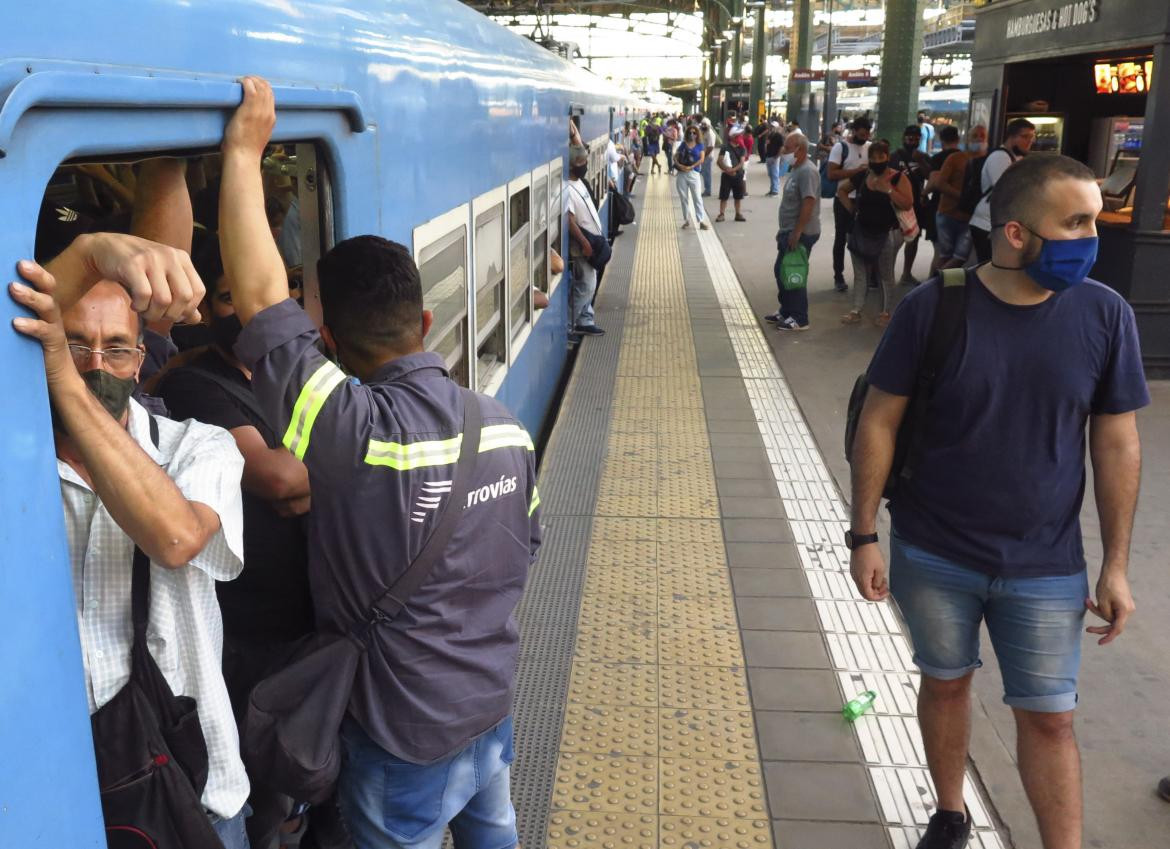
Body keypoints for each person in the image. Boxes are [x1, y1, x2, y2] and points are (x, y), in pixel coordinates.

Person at [217, 77, 541, 849]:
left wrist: (239, 154)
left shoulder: (355, 436)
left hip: (404, 739)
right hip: (490, 707)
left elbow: (264, 306)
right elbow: (525, 551)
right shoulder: (506, 430)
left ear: (331, 345)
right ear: (426, 321)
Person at [848, 153, 1148, 849]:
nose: (1090, 239)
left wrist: (1116, 564)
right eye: (1074, 223)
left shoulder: (1106, 316)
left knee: (1050, 717)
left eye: (1094, 221)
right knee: (946, 681)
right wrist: (863, 533)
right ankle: (950, 812)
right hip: (933, 550)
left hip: (1046, 563)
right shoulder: (936, 307)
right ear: (1015, 233)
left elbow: (1117, 446)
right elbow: (879, 420)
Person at [9, 233, 251, 845]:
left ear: (141, 361)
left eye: (116, 350)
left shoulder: (199, 446)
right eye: (74, 345)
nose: (96, 365)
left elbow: (175, 537)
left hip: (191, 787)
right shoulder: (18, 461)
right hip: (60, 796)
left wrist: (63, 378)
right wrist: (90, 250)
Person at [155, 236, 319, 849]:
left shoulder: (300, 371)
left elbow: (302, 476)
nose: (249, 309)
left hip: (308, 618)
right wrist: (351, 455)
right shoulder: (199, 386)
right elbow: (280, 482)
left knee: (309, 768)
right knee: (268, 781)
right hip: (252, 629)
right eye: (228, 296)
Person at [837, 140, 912, 327]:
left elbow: (907, 203)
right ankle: (856, 311)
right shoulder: (863, 176)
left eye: (881, 157)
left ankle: (886, 313)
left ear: (887, 157)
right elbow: (842, 191)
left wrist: (887, 190)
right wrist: (852, 210)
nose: (876, 160)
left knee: (885, 276)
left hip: (885, 234)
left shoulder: (897, 178)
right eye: (873, 157)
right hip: (860, 232)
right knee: (860, 274)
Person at [764, 133, 820, 331]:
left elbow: (809, 202)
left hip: (801, 233)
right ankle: (786, 310)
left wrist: (797, 232)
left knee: (793, 272)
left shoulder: (808, 171)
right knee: (782, 271)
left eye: (787, 149)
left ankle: (799, 317)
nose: (783, 152)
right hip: (789, 231)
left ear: (800, 150)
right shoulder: (796, 169)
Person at [969, 117, 1036, 263]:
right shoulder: (1000, 157)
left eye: (1031, 137)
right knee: (989, 266)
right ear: (1011, 137)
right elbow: (1006, 190)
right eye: (1024, 136)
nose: (1029, 141)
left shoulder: (1015, 158)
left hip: (995, 223)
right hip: (987, 224)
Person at [929, 125, 986, 272]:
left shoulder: (989, 161)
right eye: (975, 136)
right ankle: (935, 286)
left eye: (982, 136)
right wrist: (962, 197)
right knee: (945, 255)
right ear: (967, 139)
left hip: (969, 218)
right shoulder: (955, 158)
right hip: (948, 214)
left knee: (960, 256)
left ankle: (936, 284)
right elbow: (940, 183)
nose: (979, 139)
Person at [826, 117, 873, 292]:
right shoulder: (841, 148)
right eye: (862, 134)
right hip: (843, 198)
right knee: (841, 238)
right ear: (854, 131)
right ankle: (838, 275)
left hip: (865, 200)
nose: (865, 137)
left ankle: (866, 275)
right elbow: (831, 174)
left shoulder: (870, 147)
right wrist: (857, 172)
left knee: (865, 238)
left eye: (868, 133)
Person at [564, 145, 606, 338]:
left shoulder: (579, 182)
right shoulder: (568, 189)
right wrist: (584, 242)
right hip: (583, 246)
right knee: (587, 285)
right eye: (581, 163)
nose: (585, 165)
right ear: (572, 166)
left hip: (592, 243)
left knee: (591, 281)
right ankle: (568, 324)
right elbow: (569, 220)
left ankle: (585, 319)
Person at [890, 125, 933, 286]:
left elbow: (930, 176)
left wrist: (921, 160)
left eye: (916, 139)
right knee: (894, 241)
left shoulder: (923, 157)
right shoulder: (895, 156)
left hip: (917, 205)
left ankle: (906, 273)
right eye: (910, 138)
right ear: (904, 138)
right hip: (898, 204)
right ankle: (887, 274)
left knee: (913, 239)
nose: (913, 142)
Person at [674, 125, 709, 230]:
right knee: (683, 198)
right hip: (682, 174)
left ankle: (701, 220)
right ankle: (686, 220)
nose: (692, 135)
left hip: (694, 173)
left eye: (694, 133)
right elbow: (676, 155)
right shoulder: (683, 144)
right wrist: (679, 165)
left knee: (697, 197)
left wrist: (691, 166)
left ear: (697, 134)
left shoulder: (700, 145)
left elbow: (702, 159)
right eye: (690, 133)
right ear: (687, 133)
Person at [715, 128, 748, 223]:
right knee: (724, 196)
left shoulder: (742, 147)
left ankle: (738, 213)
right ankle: (721, 214)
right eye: (738, 135)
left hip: (738, 175)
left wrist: (733, 170)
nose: (740, 137)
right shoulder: (725, 147)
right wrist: (727, 170)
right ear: (732, 136)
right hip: (726, 175)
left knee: (738, 196)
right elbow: (719, 161)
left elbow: (742, 162)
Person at [764, 123, 786, 196]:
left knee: (775, 174)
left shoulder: (779, 136)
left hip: (774, 156)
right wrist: (766, 151)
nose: (771, 128)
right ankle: (772, 189)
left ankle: (775, 190)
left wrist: (777, 156)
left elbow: (782, 147)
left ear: (776, 127)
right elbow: (767, 144)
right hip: (769, 156)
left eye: (773, 126)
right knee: (770, 174)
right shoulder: (770, 135)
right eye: (771, 126)